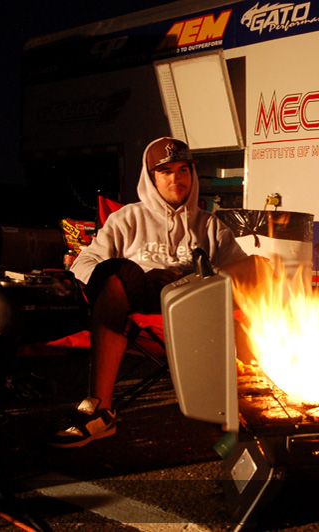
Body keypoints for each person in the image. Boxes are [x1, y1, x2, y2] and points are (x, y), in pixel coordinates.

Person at [48, 137, 251, 449]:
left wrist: (198, 277)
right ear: (151, 177)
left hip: (195, 307)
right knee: (117, 272)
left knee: (257, 266)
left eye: (183, 170)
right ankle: (100, 410)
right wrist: (141, 275)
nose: (176, 178)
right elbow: (83, 265)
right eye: (165, 171)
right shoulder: (127, 219)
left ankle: (247, 397)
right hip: (141, 306)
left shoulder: (209, 225)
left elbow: (240, 269)